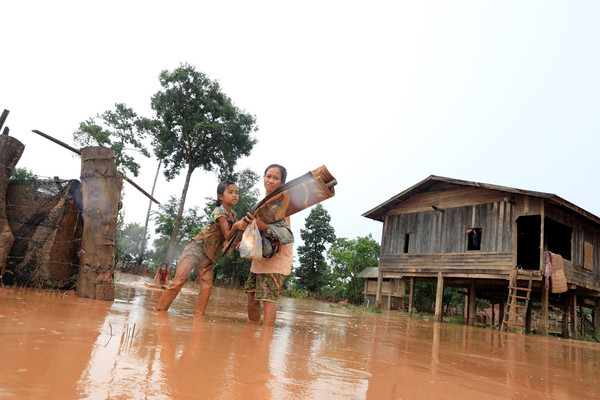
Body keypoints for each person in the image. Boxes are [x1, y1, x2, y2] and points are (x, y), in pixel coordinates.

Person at [155, 180, 250, 315]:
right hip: (195, 250)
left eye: (236, 192)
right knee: (179, 281)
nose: (235, 195)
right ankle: (159, 311)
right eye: (230, 192)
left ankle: (198, 317)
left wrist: (239, 241)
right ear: (220, 196)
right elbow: (229, 235)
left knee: (207, 287)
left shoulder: (233, 216)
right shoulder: (220, 211)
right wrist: (236, 227)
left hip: (208, 257)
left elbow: (232, 240)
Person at [244, 164, 293, 327]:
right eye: (268, 176)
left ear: (282, 182)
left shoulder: (281, 204)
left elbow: (286, 236)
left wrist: (260, 224)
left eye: (275, 178)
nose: (270, 180)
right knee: (251, 296)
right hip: (260, 256)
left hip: (277, 258)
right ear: (263, 177)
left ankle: (265, 345)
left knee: (268, 300)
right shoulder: (262, 203)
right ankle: (251, 333)